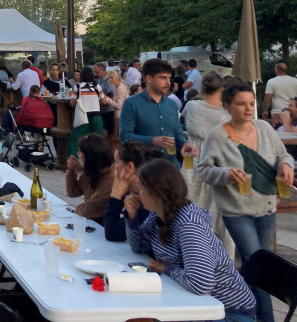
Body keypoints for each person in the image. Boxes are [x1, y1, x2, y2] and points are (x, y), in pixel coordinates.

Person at [197, 82, 295, 322]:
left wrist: (285, 165)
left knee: (261, 269)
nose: (248, 108)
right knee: (258, 264)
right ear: (227, 106)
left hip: (267, 207)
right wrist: (226, 173)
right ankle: (266, 318)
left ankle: (246, 312)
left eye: (251, 103)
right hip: (236, 211)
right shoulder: (217, 136)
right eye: (241, 104)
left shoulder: (264, 128)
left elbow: (283, 154)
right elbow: (203, 170)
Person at [126, 159, 257, 322]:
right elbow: (139, 247)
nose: (137, 193)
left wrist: (167, 268)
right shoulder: (158, 214)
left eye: (142, 189)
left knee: (139, 313)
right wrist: (130, 218)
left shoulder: (188, 224)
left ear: (157, 193)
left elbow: (201, 283)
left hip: (226, 311)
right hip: (195, 302)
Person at [180, 72, 235, 257]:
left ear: (203, 88)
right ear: (221, 89)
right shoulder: (228, 112)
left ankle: (193, 248)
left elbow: (184, 120)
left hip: (194, 159)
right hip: (220, 159)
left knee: (191, 202)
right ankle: (222, 255)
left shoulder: (192, 106)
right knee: (218, 207)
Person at [120, 58, 195, 166]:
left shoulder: (171, 104)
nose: (168, 82)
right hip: (145, 168)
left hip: (171, 166)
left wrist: (184, 144)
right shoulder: (131, 104)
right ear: (149, 78)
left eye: (169, 78)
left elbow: (177, 133)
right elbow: (125, 137)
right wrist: (152, 140)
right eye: (163, 78)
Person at [103, 140, 164, 242]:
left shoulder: (145, 198)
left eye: (116, 162)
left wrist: (115, 195)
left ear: (130, 166)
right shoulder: (128, 191)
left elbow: (112, 233)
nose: (112, 167)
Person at [65, 134, 114, 224]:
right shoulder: (90, 173)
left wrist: (78, 208)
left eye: (80, 152)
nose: (77, 154)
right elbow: (72, 192)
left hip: (103, 226)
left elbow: (89, 210)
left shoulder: (110, 179)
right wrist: (71, 171)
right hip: (92, 221)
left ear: (89, 157)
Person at [68, 66, 106, 156]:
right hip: (97, 117)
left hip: (83, 117)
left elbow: (72, 103)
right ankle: (100, 161)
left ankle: (76, 161)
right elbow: (104, 101)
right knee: (98, 141)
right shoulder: (97, 87)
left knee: (76, 140)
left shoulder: (77, 87)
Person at [263, 61, 297, 126]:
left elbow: (268, 97)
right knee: (292, 133)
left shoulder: (271, 82)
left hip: (278, 112)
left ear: (276, 69)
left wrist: (265, 110)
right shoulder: (295, 81)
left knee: (278, 133)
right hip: (293, 112)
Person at [105, 69, 129, 142]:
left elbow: (119, 106)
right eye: (109, 78)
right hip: (119, 115)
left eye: (111, 78)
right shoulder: (118, 87)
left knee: (119, 137)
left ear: (116, 78)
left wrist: (107, 99)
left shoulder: (120, 88)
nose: (109, 80)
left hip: (120, 115)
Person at [93, 63, 116, 139]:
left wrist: (105, 102)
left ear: (103, 70)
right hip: (101, 109)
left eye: (97, 72)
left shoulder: (108, 80)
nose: (96, 74)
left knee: (109, 133)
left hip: (108, 109)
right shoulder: (99, 80)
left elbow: (111, 93)